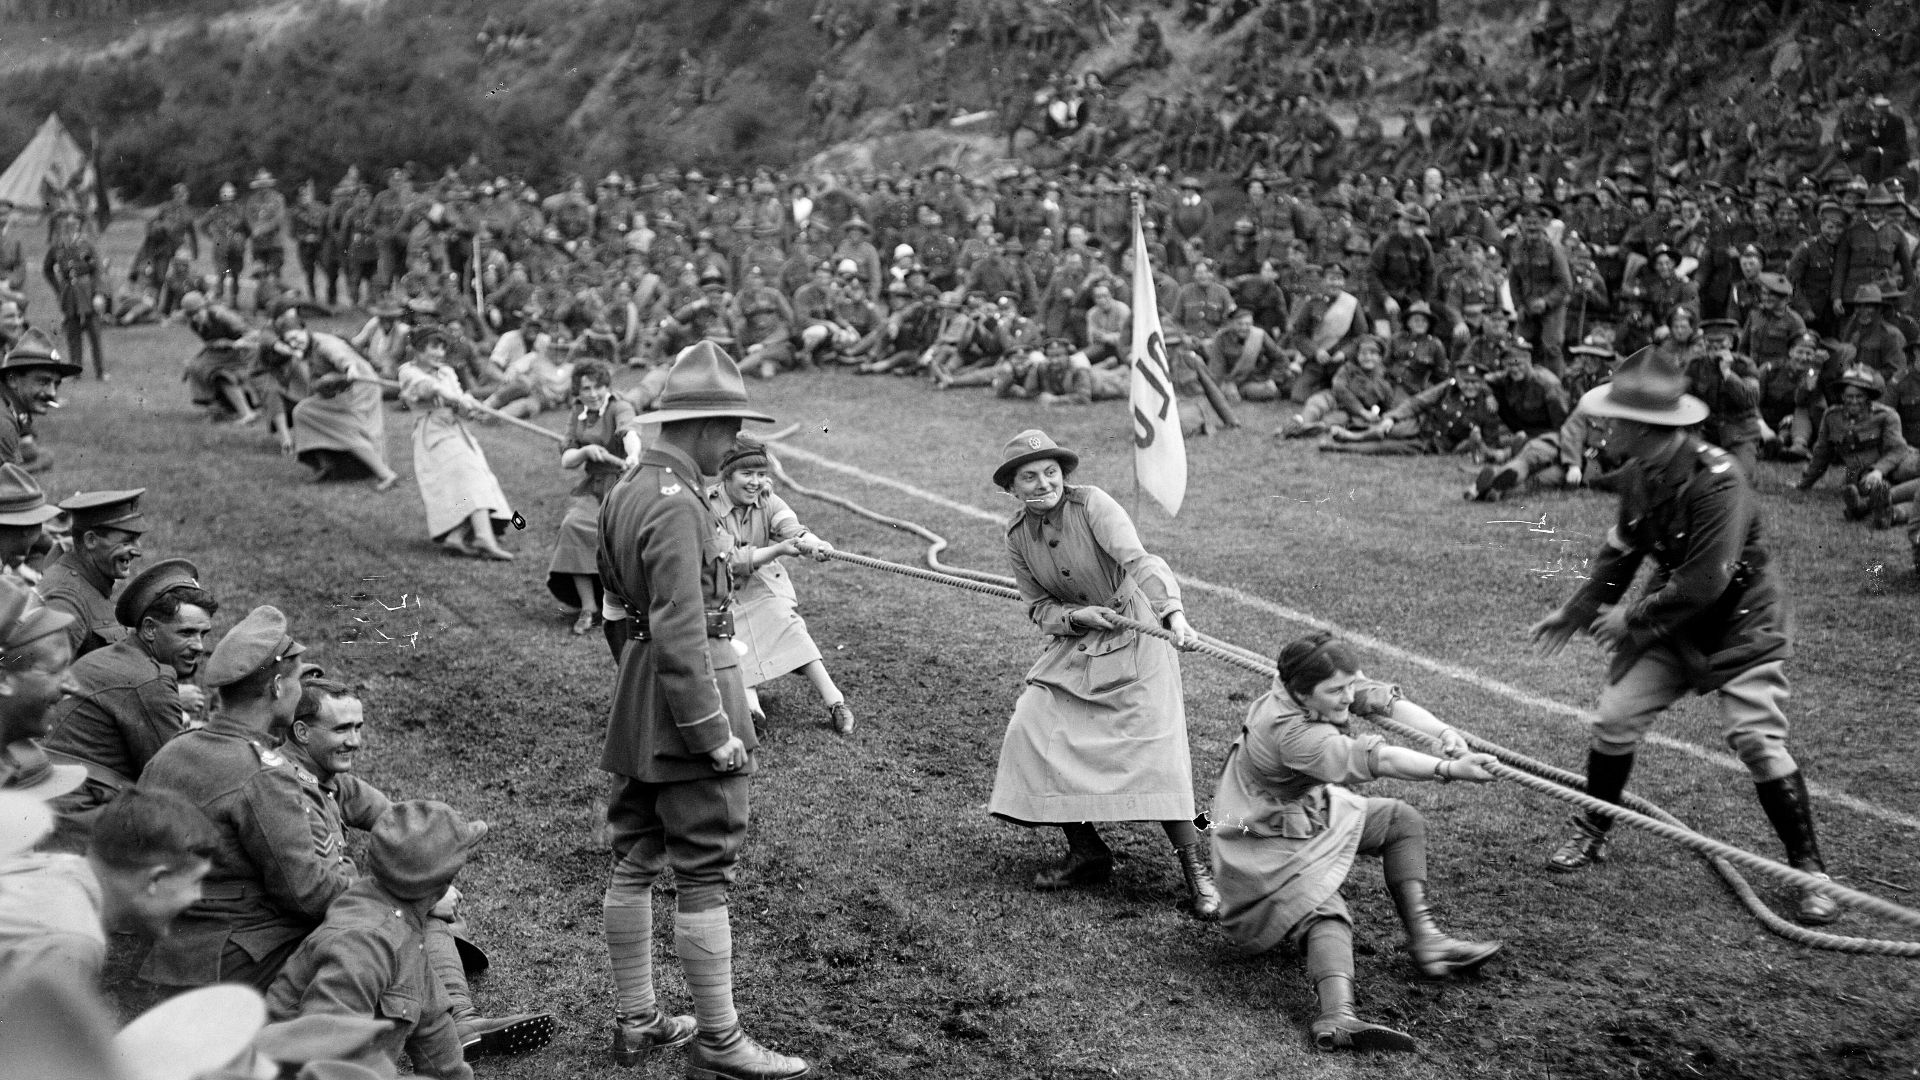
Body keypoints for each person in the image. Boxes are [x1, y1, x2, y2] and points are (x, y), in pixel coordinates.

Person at [1530, 347, 1840, 926]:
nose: (1605, 426)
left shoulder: (1720, 481)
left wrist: (1631, 619)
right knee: (1615, 719)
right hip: (1674, 618)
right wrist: (1577, 612)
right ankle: (1594, 829)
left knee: (1755, 738)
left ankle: (1810, 872)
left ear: (1646, 429)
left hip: (1739, 619)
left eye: (1616, 419)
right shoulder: (1638, 473)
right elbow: (1622, 551)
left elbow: (1706, 580)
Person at [596, 341, 809, 1078]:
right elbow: (685, 628)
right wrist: (712, 732)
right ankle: (718, 1042)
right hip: (694, 695)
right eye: (731, 427)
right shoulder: (681, 504)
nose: (735, 443)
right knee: (703, 866)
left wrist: (640, 686)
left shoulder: (626, 488)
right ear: (708, 426)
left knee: (634, 855)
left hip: (637, 693)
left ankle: (638, 1020)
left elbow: (616, 612)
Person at [1209, 631, 1501, 1053]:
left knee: (1399, 820)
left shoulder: (1314, 688)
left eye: (1349, 685)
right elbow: (1379, 759)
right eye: (1337, 691)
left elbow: (1381, 700)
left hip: (1307, 811)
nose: (1348, 697)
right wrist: (1449, 768)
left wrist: (1444, 733)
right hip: (1261, 837)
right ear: (1303, 694)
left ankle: (1427, 942)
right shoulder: (1294, 735)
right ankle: (1336, 1016)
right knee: (1325, 910)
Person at [987, 429, 1220, 920]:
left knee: (1158, 754)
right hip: (1080, 638)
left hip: (1135, 633)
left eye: (1050, 472)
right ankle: (1087, 849)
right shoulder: (1015, 537)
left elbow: (1141, 561)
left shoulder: (1092, 503)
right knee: (1033, 723)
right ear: (1012, 488)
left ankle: (1198, 873)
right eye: (1028, 477)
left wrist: (1173, 614)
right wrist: (1075, 618)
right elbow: (1037, 608)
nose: (1042, 483)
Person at [265, 801, 485, 1080]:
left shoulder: (402, 926)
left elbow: (433, 1025)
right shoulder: (364, 943)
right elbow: (326, 1051)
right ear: (443, 883)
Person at [41, 559, 216, 851]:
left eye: (203, 634)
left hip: (52, 800)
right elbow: (174, 779)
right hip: (74, 819)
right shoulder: (148, 680)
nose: (199, 645)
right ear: (149, 629)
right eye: (186, 633)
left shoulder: (114, 656)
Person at [0, 786, 217, 988]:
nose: (197, 896)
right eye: (195, 881)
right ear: (156, 880)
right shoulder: (73, 941)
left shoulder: (55, 866)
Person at [712, 435, 853, 734]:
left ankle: (836, 702)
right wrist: (778, 550)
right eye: (746, 474)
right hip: (720, 588)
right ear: (727, 474)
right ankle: (752, 712)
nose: (755, 482)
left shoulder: (768, 499)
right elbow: (731, 559)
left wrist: (814, 544)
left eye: (761, 474)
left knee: (787, 623)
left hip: (762, 583)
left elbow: (792, 528)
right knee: (733, 637)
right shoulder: (707, 505)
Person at [397, 326, 515, 560]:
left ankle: (457, 536)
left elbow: (458, 403)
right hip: (432, 434)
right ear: (418, 350)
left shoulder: (447, 372)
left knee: (475, 482)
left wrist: (468, 407)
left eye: (442, 347)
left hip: (455, 431)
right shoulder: (407, 372)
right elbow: (426, 387)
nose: (439, 353)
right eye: (433, 347)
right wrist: (454, 397)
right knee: (467, 481)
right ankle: (483, 537)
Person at [547, 362, 638, 635]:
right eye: (586, 388)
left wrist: (632, 455)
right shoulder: (579, 411)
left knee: (621, 534)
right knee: (573, 526)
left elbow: (629, 432)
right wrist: (586, 452)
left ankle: (628, 603)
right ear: (578, 390)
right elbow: (567, 459)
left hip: (622, 484)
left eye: (598, 386)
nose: (593, 393)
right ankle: (590, 607)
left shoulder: (620, 406)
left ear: (607, 386)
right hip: (593, 485)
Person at [39, 489, 148, 660]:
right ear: (90, 540)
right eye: (127, 541)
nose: (137, 551)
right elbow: (41, 674)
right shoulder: (65, 599)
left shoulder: (89, 582)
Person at [285, 328, 399, 489]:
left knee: (346, 427)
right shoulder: (306, 349)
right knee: (303, 412)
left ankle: (385, 474)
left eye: (295, 337)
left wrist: (349, 368)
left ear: (304, 330)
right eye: (289, 341)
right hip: (344, 390)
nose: (294, 343)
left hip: (360, 386)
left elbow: (341, 357)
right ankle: (328, 465)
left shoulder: (325, 343)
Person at [41, 210, 106, 381]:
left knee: (94, 332)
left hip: (87, 291)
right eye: (66, 224)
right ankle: (75, 371)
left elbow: (98, 270)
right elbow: (47, 269)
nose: (70, 227)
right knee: (73, 333)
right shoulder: (58, 246)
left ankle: (100, 371)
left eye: (74, 223)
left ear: (79, 225)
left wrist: (98, 293)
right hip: (69, 293)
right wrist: (58, 289)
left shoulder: (86, 245)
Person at [0, 336, 81, 472]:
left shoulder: (9, 406)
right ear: (12, 379)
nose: (52, 393)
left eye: (55, 384)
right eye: (43, 382)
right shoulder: (4, 423)